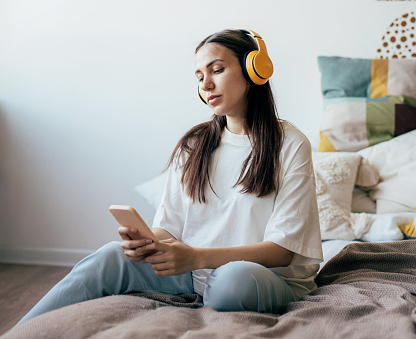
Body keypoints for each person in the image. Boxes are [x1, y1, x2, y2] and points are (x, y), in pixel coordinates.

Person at [18, 28, 323, 324]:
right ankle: (17, 333)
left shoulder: (290, 144)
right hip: (195, 275)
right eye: (200, 77)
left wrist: (196, 258)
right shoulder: (195, 145)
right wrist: (146, 243)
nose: (206, 85)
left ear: (254, 69)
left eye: (216, 70)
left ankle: (213, 296)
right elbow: (168, 229)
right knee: (110, 256)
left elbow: (282, 252)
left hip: (263, 277)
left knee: (233, 279)